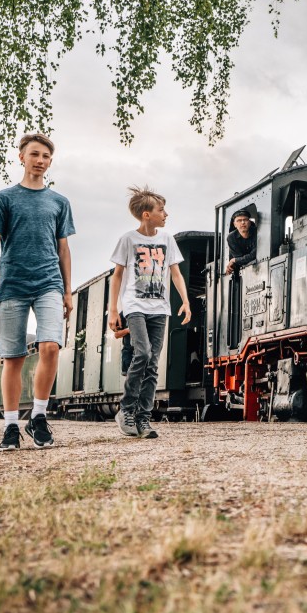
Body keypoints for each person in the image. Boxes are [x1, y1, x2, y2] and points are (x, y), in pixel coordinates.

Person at [0, 132, 75, 451]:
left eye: (46, 156)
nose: (40, 160)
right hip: (13, 285)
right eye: (34, 154)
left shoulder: (59, 202)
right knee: (14, 357)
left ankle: (38, 416)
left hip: (49, 282)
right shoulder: (4, 198)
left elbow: (64, 249)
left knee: (50, 347)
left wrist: (67, 290)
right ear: (22, 157)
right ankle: (9, 426)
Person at [107, 186, 192, 439]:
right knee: (142, 353)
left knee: (153, 365)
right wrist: (113, 309)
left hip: (159, 308)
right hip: (134, 306)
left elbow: (175, 273)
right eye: (161, 210)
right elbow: (117, 276)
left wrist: (185, 301)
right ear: (146, 214)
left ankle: (144, 419)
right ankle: (126, 410)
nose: (166, 214)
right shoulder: (128, 240)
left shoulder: (167, 239)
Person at [225, 209, 257, 274]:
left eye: (245, 220)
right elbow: (239, 259)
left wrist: (235, 260)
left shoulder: (258, 233)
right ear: (235, 224)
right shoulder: (231, 237)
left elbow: (255, 254)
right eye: (239, 220)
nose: (242, 222)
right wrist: (237, 260)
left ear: (249, 222)